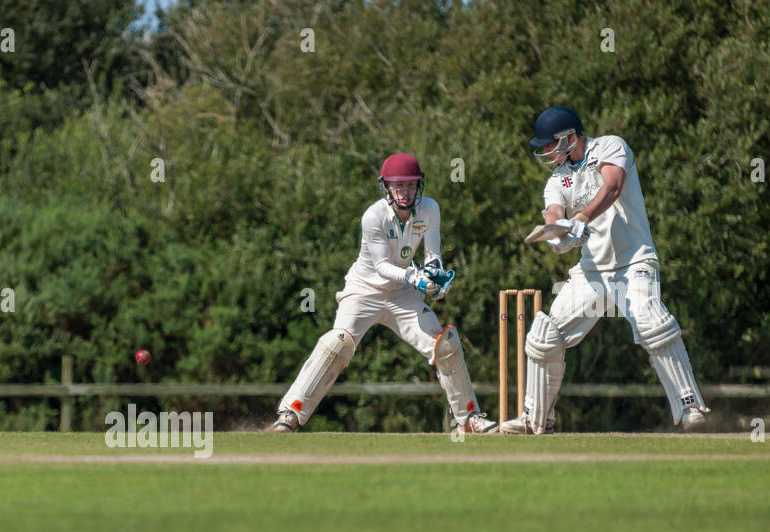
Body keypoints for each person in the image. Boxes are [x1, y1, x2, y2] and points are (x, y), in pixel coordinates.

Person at [501, 106, 707, 434]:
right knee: (544, 336)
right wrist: (559, 233)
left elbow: (612, 187)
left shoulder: (610, 146)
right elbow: (553, 214)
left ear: (569, 138)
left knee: (652, 321)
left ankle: (689, 406)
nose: (544, 152)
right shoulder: (557, 179)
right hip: (592, 272)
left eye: (548, 145)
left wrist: (581, 219)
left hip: (634, 261)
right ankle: (535, 420)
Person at [271, 153, 496, 434]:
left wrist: (435, 276)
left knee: (445, 344)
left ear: (419, 185)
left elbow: (432, 255)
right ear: (386, 187)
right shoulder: (373, 216)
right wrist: (415, 277)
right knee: (338, 344)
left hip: (402, 294)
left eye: (411, 186)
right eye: (398, 186)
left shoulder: (430, 209)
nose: (405, 193)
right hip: (363, 290)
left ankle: (470, 419)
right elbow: (381, 266)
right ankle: (290, 414)